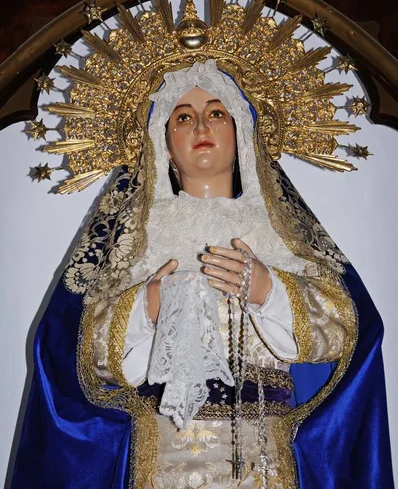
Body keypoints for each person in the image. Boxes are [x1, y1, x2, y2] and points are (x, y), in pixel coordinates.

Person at [11, 60, 394, 488]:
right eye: (183, 117)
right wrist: (145, 307)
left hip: (264, 459)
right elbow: (75, 352)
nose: (200, 127)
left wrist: (271, 291)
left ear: (242, 136)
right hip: (160, 457)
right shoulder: (133, 237)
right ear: (164, 145)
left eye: (216, 113)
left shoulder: (280, 232)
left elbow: (348, 332)